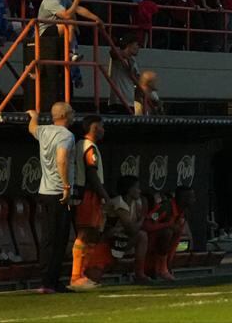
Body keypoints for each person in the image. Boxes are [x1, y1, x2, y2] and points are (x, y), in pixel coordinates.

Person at [28, 101, 75, 293]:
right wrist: (66, 186)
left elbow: (32, 129)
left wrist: (34, 116)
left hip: (44, 191)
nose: (73, 115)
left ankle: (47, 280)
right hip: (57, 192)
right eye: (71, 112)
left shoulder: (44, 131)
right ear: (64, 115)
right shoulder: (66, 135)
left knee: (47, 237)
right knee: (58, 238)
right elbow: (62, 158)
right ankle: (50, 282)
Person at [36, 0, 102, 109]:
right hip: (45, 33)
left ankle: (70, 52)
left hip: (58, 30)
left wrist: (96, 18)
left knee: (70, 24)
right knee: (70, 23)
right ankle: (70, 52)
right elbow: (66, 15)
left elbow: (77, 9)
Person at [86, 175, 149, 285]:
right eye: (137, 187)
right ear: (129, 189)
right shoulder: (118, 203)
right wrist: (143, 217)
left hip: (120, 241)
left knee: (142, 236)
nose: (139, 191)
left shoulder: (136, 203)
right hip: (105, 243)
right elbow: (131, 229)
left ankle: (140, 274)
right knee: (92, 279)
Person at [70, 115, 108, 290]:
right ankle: (76, 276)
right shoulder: (88, 147)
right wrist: (104, 196)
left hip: (87, 193)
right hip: (88, 194)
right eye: (101, 126)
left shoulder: (81, 145)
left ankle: (83, 274)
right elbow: (92, 174)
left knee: (91, 233)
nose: (103, 129)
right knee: (84, 233)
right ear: (93, 128)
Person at [142, 186, 193, 280]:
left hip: (163, 247)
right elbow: (146, 225)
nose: (194, 200)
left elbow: (175, 240)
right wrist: (167, 225)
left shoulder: (183, 211)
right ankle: (159, 268)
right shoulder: (165, 207)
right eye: (191, 197)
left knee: (174, 232)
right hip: (148, 241)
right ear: (183, 198)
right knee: (167, 232)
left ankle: (164, 267)